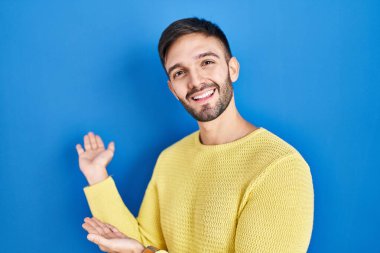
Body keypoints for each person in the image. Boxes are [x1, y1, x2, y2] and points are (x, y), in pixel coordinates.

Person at [76, 17, 314, 253]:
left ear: (232, 69)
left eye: (207, 62)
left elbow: (143, 251)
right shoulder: (170, 158)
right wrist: (97, 176)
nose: (196, 81)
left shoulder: (280, 167)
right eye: (180, 72)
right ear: (172, 89)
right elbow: (140, 243)